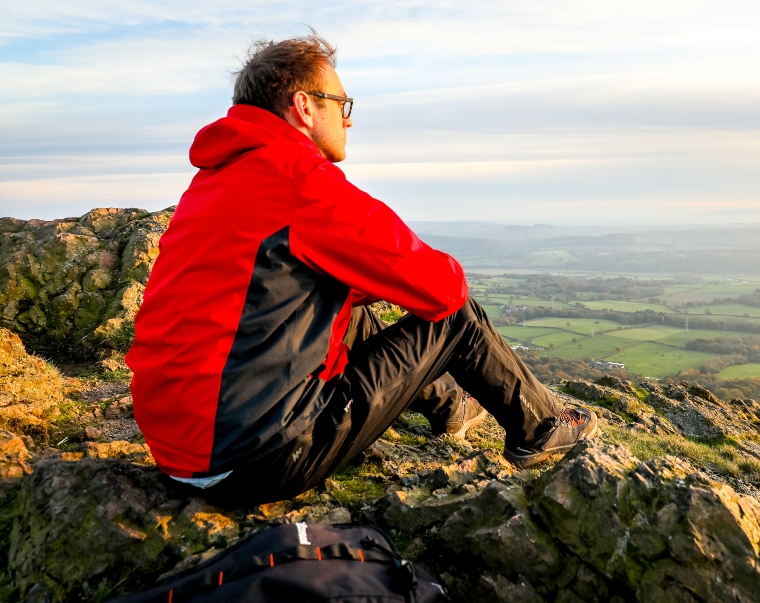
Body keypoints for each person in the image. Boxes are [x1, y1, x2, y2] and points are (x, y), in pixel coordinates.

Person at [125, 33, 598, 507]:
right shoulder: (301, 180)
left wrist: (352, 286)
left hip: (180, 450)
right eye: (342, 103)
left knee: (345, 309)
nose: (348, 120)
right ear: (305, 106)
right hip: (258, 460)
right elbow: (442, 288)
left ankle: (452, 406)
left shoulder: (215, 179)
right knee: (458, 318)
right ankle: (541, 426)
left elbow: (265, 294)